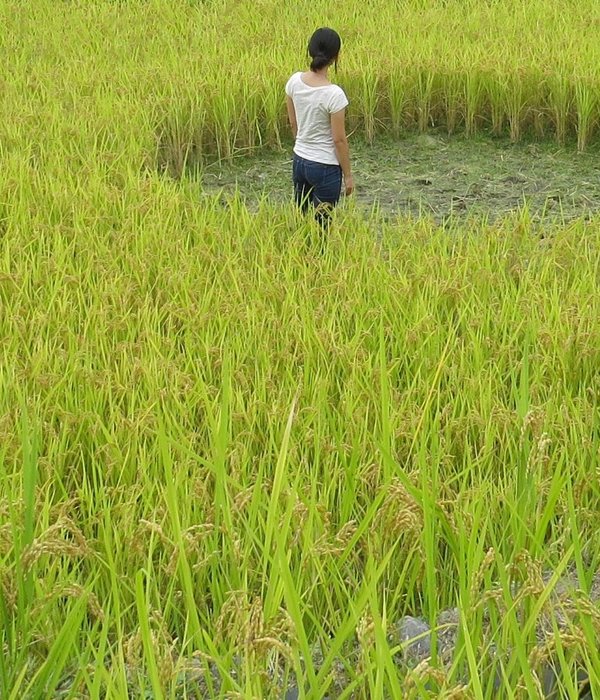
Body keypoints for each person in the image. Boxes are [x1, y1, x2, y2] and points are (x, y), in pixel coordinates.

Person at [285, 27, 353, 227]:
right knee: (323, 226)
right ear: (336, 56)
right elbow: (338, 140)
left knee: (302, 219)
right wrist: (348, 176)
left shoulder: (294, 82)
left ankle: (299, 254)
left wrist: (303, 145)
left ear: (310, 50)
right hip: (325, 167)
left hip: (300, 162)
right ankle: (320, 257)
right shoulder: (334, 94)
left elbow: (293, 123)